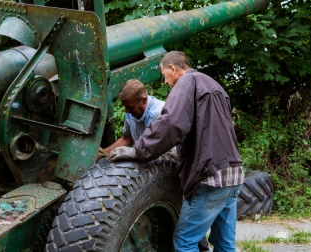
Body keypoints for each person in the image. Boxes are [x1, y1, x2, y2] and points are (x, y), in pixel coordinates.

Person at [107, 51, 244, 252]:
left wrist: (138, 152)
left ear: (172, 68)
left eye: (164, 75)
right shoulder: (215, 86)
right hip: (233, 171)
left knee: (184, 241)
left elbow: (171, 123)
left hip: (211, 175)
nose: (165, 82)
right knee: (225, 244)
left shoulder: (187, 83)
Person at [102, 78, 210, 252]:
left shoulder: (162, 113)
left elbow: (167, 151)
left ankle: (201, 248)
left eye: (130, 107)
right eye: (126, 107)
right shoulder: (131, 113)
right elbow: (126, 139)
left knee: (184, 219)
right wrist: (102, 153)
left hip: (173, 171)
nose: (127, 111)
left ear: (143, 100)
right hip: (147, 170)